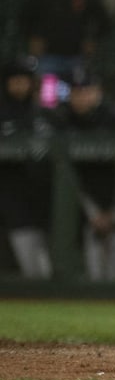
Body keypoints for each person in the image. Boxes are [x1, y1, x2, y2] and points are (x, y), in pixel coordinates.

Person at [53, 65, 115, 282]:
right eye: (75, 91)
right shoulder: (67, 120)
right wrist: (94, 213)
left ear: (98, 90)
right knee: (96, 280)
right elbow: (71, 177)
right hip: (93, 215)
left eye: (86, 90)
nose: (80, 96)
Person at [0, 56, 55, 278]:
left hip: (47, 199)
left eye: (25, 79)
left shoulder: (45, 115)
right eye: (15, 80)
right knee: (33, 270)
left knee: (51, 266)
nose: (20, 84)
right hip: (14, 202)